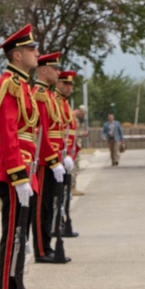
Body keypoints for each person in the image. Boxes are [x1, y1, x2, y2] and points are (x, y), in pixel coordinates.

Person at [0, 24, 48, 289]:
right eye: (32, 49)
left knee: (19, 239)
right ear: (16, 55)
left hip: (25, 170)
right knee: (12, 239)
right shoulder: (8, 85)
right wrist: (19, 175)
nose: (37, 53)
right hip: (14, 172)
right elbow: (9, 133)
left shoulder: (24, 85)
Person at [31, 52, 68, 262]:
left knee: (49, 206)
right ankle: (41, 250)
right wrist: (53, 160)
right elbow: (41, 132)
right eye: (55, 69)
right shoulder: (40, 94)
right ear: (43, 70)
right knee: (41, 208)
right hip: (45, 160)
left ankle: (46, 246)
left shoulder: (50, 95)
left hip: (53, 157)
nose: (58, 72)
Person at [56, 70, 81, 232]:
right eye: (66, 83)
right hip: (59, 155)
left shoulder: (65, 103)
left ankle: (62, 221)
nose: (69, 87)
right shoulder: (56, 101)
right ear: (58, 83)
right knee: (57, 196)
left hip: (68, 154)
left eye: (71, 84)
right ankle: (58, 223)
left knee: (65, 194)